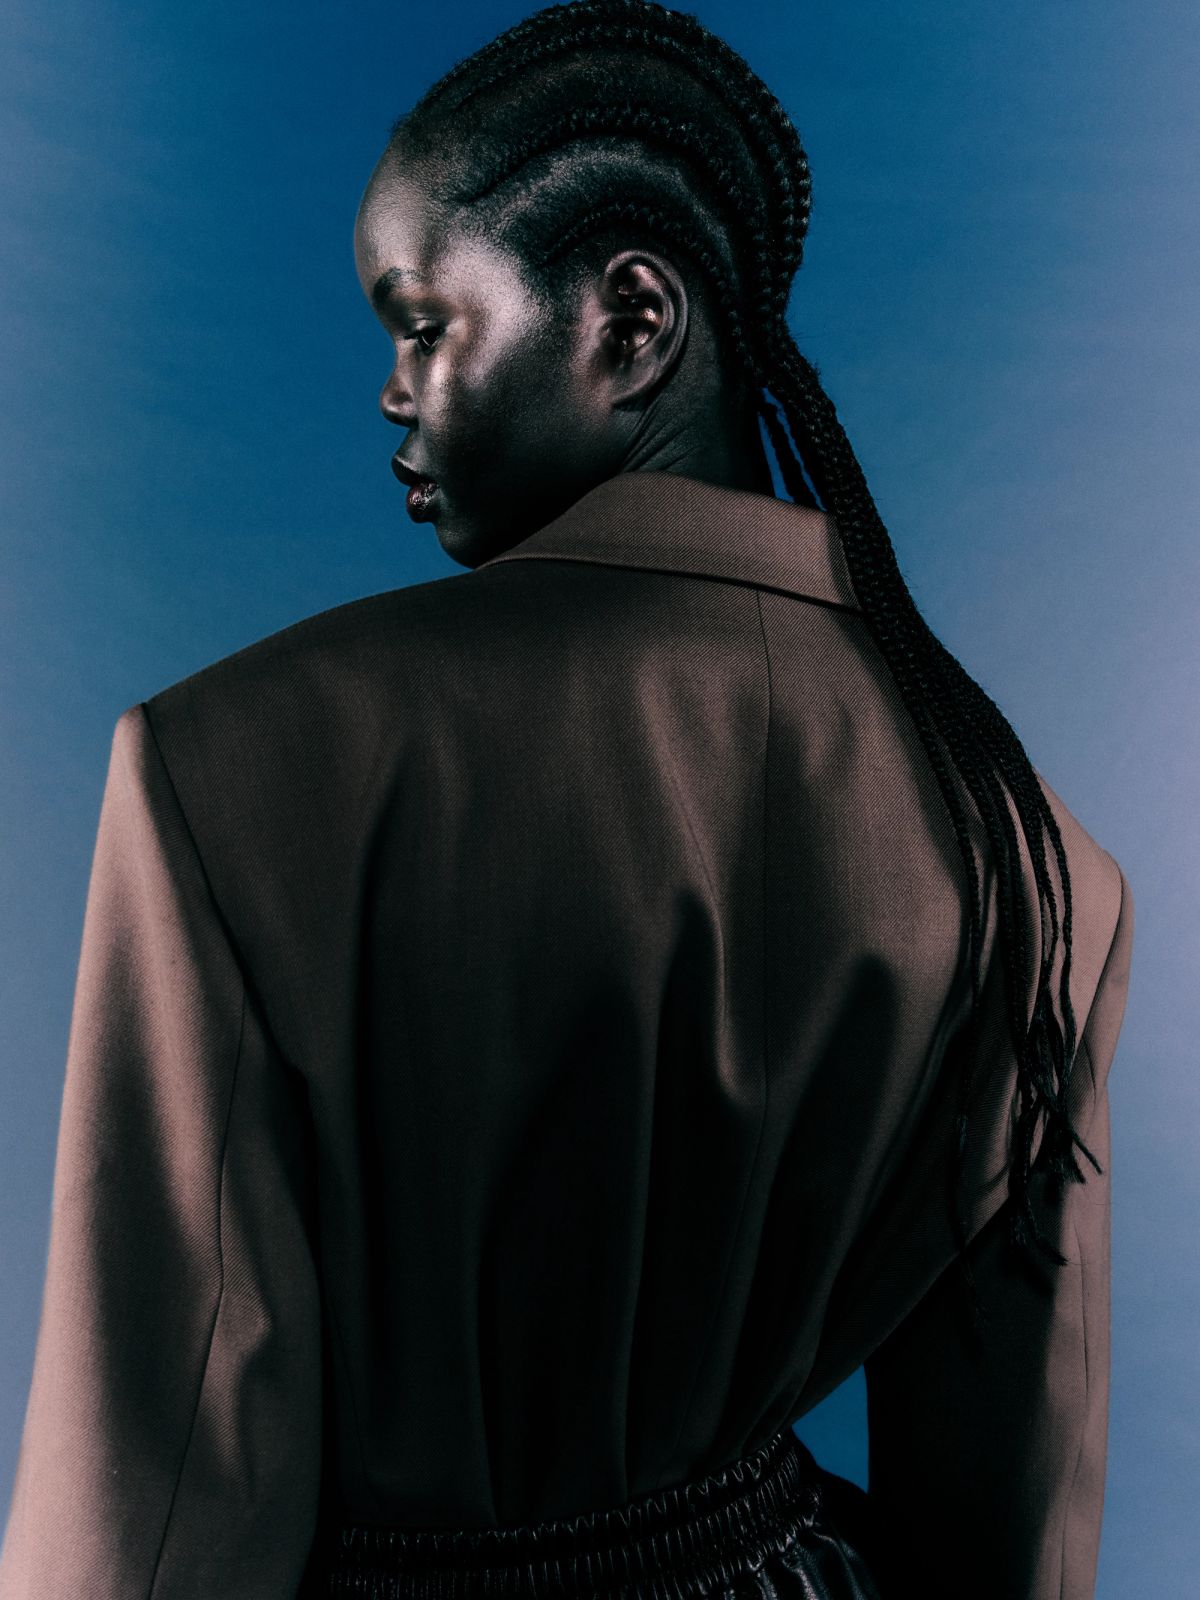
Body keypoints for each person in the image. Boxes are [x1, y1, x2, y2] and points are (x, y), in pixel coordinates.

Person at [0, 1, 1135, 1596]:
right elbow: (1012, 1516)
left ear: (631, 320)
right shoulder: (1033, 860)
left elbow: (159, 1482)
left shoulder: (233, 763)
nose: (393, 393)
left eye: (421, 323)